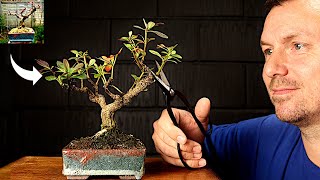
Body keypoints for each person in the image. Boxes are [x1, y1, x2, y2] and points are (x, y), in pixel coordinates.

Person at [152, 0, 320, 179]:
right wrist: (178, 137)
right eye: (268, 51)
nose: (270, 69)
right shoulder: (267, 135)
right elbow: (198, 142)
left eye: (297, 46)